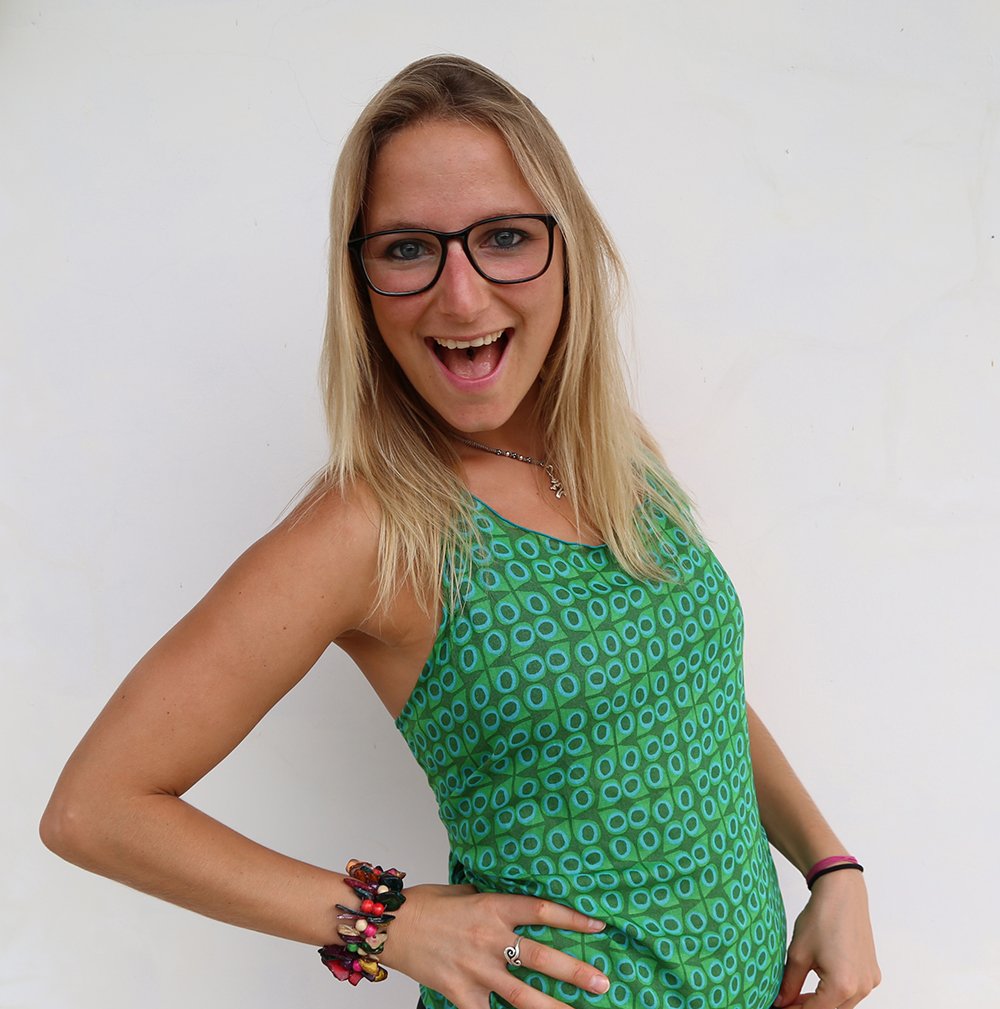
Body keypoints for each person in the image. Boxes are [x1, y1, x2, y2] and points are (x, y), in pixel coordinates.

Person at [41, 55, 880, 1009]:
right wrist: (386, 923)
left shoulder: (610, 454)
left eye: (504, 237)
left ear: (568, 248)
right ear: (361, 281)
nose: (463, 298)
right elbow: (93, 808)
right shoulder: (370, 528)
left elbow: (687, 691)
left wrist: (830, 865)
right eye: (408, 249)